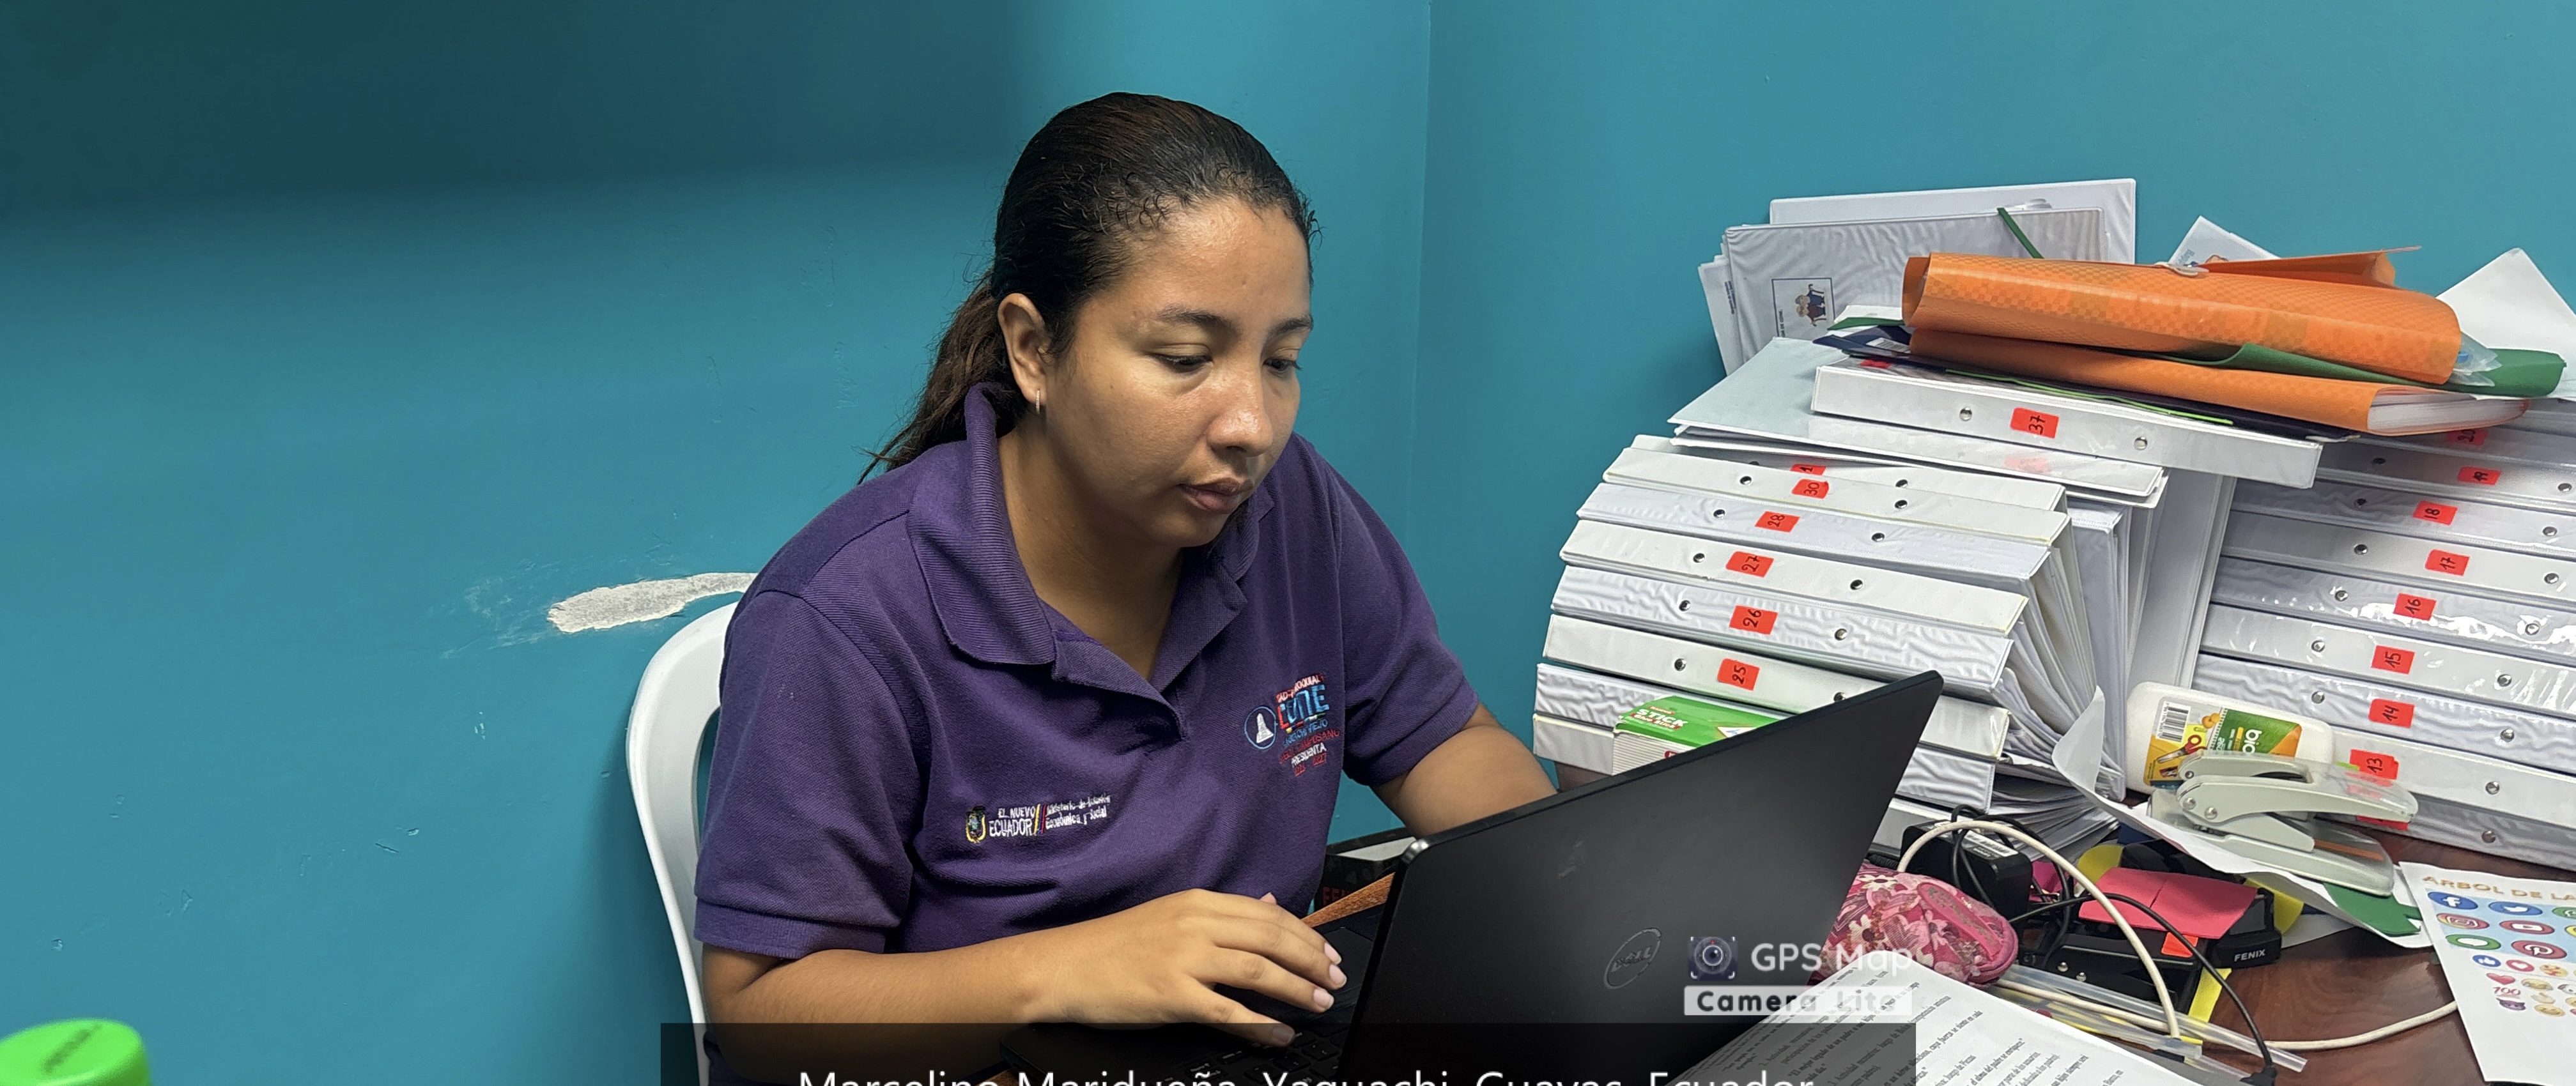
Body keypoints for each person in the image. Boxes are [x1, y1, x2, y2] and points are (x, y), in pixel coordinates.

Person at [693, 93, 1555, 1076]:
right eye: (1185, 359)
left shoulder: (1293, 507)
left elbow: (1445, 740)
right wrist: (1070, 970)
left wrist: (1559, 896)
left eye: (1281, 360)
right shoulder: (844, 614)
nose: (1252, 425)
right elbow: (762, 1010)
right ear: (1035, 350)